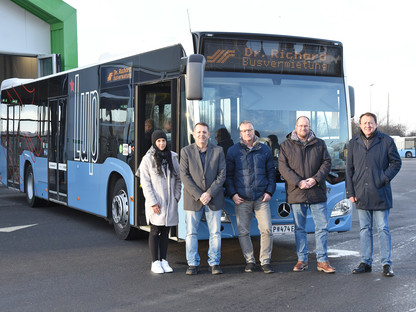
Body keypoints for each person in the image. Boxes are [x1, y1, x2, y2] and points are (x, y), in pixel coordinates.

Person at [346, 112, 401, 277]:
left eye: (370, 123)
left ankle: (386, 264)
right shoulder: (353, 143)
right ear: (360, 125)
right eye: (364, 123)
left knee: (383, 228)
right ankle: (366, 262)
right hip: (361, 192)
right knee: (364, 229)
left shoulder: (386, 141)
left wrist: (384, 178)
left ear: (376, 124)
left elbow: (396, 162)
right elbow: (349, 170)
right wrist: (350, 192)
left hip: (380, 192)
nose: (367, 125)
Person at [278, 116, 335, 273]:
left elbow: (327, 163)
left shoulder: (320, 144)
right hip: (297, 192)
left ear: (310, 127)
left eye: (306, 126)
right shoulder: (285, 146)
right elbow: (283, 167)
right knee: (299, 228)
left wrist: (315, 180)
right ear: (295, 127)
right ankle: (302, 259)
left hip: (317, 192)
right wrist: (299, 182)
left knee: (322, 227)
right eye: (300, 125)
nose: (303, 128)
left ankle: (322, 261)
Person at [226, 121, 276, 274]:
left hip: (261, 198)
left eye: (250, 130)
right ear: (240, 133)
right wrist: (233, 194)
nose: (247, 133)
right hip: (242, 198)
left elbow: (271, 174)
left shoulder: (265, 150)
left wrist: (269, 192)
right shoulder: (233, 151)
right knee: (243, 232)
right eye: (244, 131)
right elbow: (228, 176)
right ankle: (249, 261)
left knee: (267, 230)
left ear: (254, 131)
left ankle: (265, 261)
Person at [180, 122, 226, 275]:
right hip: (193, 199)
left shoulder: (218, 151)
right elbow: (184, 176)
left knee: (215, 233)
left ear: (209, 134)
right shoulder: (186, 151)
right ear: (193, 134)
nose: (201, 135)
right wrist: (200, 195)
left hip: (214, 198)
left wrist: (209, 193)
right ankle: (192, 264)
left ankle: (214, 263)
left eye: (204, 132)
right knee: (191, 233)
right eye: (198, 132)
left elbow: (222, 175)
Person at [137, 130, 181, 274]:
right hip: (156, 202)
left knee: (166, 231)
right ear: (154, 143)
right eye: (158, 141)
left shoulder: (173, 157)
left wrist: (176, 196)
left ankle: (163, 260)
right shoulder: (147, 159)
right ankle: (155, 261)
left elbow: (179, 179)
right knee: (155, 231)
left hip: (170, 202)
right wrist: (153, 202)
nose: (161, 144)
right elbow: (145, 183)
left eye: (163, 141)